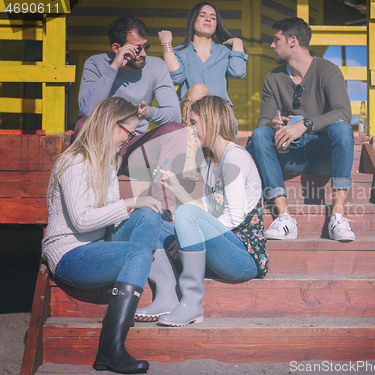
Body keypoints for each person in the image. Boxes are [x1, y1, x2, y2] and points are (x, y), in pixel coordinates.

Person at [42, 97, 165, 374]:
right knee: (139, 250)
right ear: (111, 124)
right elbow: (82, 220)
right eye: (129, 132)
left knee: (148, 214)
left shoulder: (108, 160)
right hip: (69, 256)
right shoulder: (75, 161)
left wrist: (141, 206)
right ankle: (110, 350)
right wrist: (131, 202)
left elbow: (110, 217)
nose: (130, 139)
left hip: (96, 246)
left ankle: (126, 298)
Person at [136, 96, 268, 325]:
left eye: (194, 122)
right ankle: (167, 296)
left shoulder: (235, 157)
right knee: (153, 223)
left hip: (243, 257)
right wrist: (176, 187)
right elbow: (205, 211)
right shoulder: (210, 162)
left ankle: (191, 304)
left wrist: (193, 235)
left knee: (185, 214)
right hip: (220, 249)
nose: (190, 129)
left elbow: (233, 218)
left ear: (210, 121)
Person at [247, 17, 356, 242]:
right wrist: (274, 125)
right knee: (259, 135)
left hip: (323, 155)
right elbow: (262, 122)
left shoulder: (328, 71)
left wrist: (304, 125)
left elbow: (344, 113)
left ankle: (337, 216)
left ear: (292, 41)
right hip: (289, 154)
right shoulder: (273, 77)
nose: (272, 45)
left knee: (343, 129)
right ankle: (284, 217)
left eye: (276, 39)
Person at [77, 15, 185, 210]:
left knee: (176, 130)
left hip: (136, 147)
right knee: (82, 125)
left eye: (146, 46)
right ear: (117, 48)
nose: (143, 53)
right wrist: (115, 66)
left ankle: (165, 207)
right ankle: (89, 201)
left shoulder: (155, 66)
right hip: (103, 145)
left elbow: (174, 115)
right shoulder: (96, 64)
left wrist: (148, 113)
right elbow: (87, 110)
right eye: (137, 49)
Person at [158, 1, 247, 108]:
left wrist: (238, 41)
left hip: (218, 115)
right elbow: (176, 78)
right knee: (198, 89)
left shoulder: (224, 51)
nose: (208, 19)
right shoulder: (180, 52)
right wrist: (166, 44)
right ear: (193, 20)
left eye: (213, 18)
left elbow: (237, 72)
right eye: (202, 15)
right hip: (190, 114)